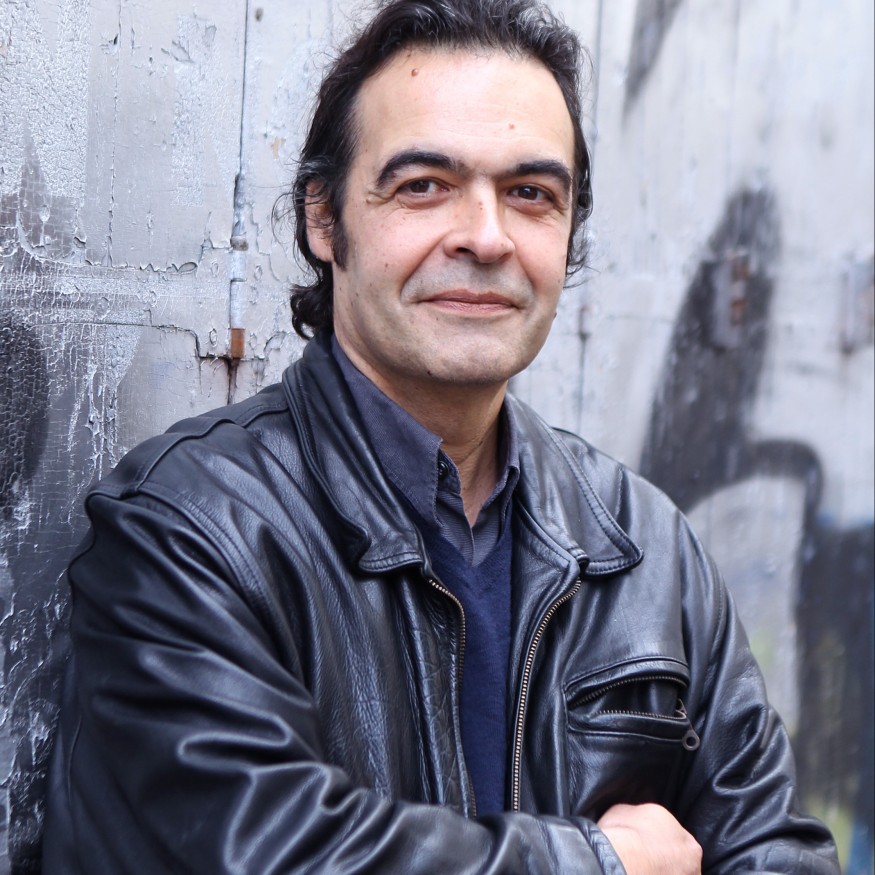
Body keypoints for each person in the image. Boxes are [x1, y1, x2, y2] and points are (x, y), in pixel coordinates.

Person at [43, 0, 839, 872]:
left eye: (530, 194)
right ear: (323, 219)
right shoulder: (189, 530)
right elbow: (263, 851)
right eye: (423, 185)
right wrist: (597, 863)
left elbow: (776, 852)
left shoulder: (647, 550)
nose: (486, 237)